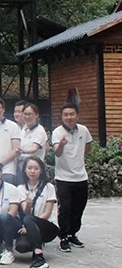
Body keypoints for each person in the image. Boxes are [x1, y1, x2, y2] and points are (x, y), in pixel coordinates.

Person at [52, 102, 92, 252]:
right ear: (62, 117)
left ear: (77, 115)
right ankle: (63, 237)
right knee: (65, 208)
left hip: (81, 176)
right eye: (66, 115)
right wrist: (62, 144)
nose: (69, 117)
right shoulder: (57, 132)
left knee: (79, 208)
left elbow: (88, 147)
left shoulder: (84, 130)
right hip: (63, 177)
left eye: (71, 114)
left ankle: (72, 234)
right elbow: (57, 153)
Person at [15, 156, 59, 268]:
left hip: (48, 226)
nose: (32, 171)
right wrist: (28, 205)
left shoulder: (49, 187)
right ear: (25, 170)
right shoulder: (20, 188)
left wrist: (30, 225)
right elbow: (26, 212)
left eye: (36, 168)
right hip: (29, 224)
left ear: (41, 170)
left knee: (28, 219)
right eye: (29, 168)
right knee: (21, 246)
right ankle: (37, 246)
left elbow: (47, 213)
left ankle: (39, 258)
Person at [18, 103, 49, 174]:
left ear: (37, 115)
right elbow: (47, 148)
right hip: (22, 166)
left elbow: (34, 149)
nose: (27, 116)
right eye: (25, 114)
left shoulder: (40, 130)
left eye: (30, 114)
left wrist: (22, 151)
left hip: (34, 168)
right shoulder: (23, 129)